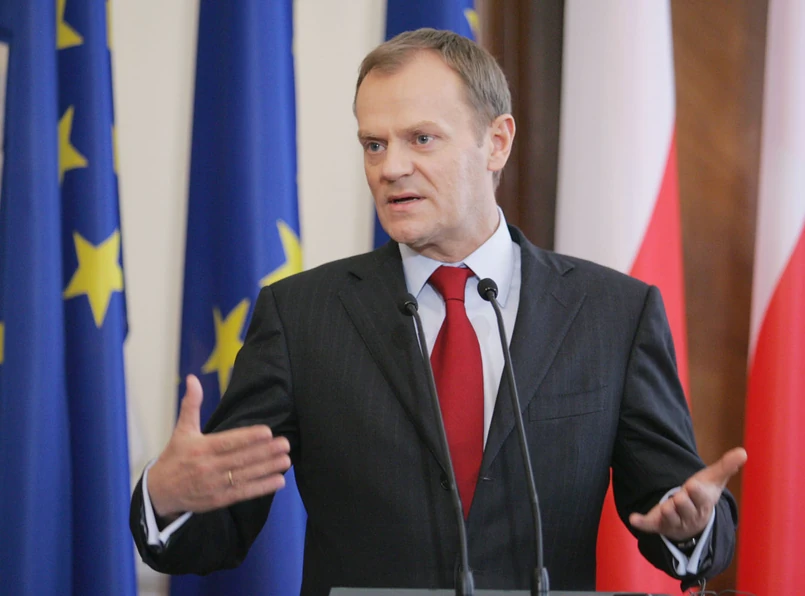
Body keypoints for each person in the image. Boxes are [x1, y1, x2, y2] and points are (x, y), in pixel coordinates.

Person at [131, 28, 746, 595]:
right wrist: (166, 498)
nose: (390, 167)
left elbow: (676, 513)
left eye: (420, 139)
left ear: (496, 142)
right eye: (374, 144)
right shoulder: (301, 318)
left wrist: (692, 526)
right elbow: (211, 534)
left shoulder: (613, 315)